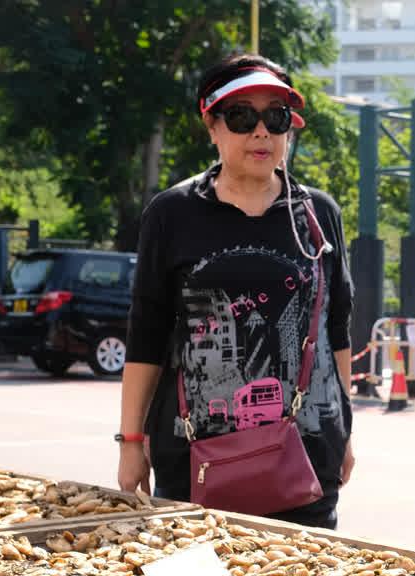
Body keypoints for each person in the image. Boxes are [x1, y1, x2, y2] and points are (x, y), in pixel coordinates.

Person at [118, 55, 354, 529]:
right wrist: (130, 442)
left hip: (307, 456)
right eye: (242, 116)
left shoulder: (318, 215)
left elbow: (337, 329)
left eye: (276, 117)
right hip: (195, 459)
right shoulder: (173, 214)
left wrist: (344, 433)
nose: (261, 132)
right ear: (212, 125)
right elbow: (146, 334)